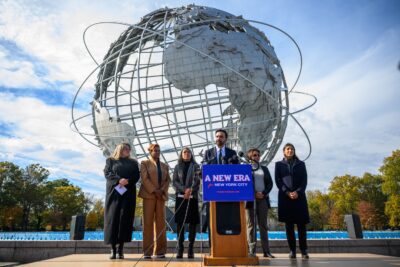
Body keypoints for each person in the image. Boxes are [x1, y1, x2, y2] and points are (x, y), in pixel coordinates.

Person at [201, 129, 239, 249]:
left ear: (225, 139)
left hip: (228, 193)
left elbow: (237, 170)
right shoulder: (208, 153)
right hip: (212, 193)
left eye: (221, 136)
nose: (219, 138)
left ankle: (228, 247)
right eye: (217, 136)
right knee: (212, 221)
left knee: (227, 219)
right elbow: (203, 168)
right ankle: (213, 247)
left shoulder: (232, 153)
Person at [103, 142, 140, 260]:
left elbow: (136, 176)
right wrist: (119, 180)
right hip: (114, 194)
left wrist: (127, 181)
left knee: (124, 219)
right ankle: (113, 249)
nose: (128, 150)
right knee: (113, 219)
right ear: (120, 149)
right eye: (126, 149)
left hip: (128, 194)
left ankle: (121, 250)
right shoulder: (110, 161)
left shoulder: (133, 163)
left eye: (129, 149)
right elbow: (107, 173)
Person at [275, 143, 310, 259]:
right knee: (289, 226)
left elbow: (304, 181)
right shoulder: (278, 165)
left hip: (299, 198)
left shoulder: (301, 164)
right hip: (286, 199)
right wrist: (287, 192)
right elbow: (278, 181)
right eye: (288, 149)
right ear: (284, 151)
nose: (290, 151)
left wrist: (298, 192)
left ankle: (304, 251)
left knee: (301, 226)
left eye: (292, 149)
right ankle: (292, 250)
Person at [138, 144, 170, 259]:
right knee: (148, 223)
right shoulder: (144, 163)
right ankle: (147, 252)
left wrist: (161, 191)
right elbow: (144, 178)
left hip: (161, 196)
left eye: (158, 150)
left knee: (161, 224)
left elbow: (167, 180)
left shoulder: (165, 166)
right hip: (149, 196)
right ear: (150, 152)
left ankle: (160, 251)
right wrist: (154, 190)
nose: (157, 152)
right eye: (154, 150)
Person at [245, 148, 274, 258]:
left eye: (258, 155)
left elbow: (270, 183)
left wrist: (264, 193)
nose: (257, 157)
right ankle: (251, 250)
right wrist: (254, 193)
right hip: (250, 200)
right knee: (251, 225)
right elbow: (245, 184)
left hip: (263, 200)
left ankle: (266, 251)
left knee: (263, 225)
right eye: (254, 155)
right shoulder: (247, 169)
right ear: (249, 158)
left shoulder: (264, 169)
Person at [172, 147, 201, 259]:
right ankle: (180, 248)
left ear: (191, 154)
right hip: (181, 197)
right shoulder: (177, 167)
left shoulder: (196, 166)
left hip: (192, 197)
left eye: (189, 152)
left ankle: (190, 248)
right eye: (185, 152)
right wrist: (184, 190)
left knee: (192, 222)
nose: (187, 154)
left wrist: (190, 190)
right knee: (180, 223)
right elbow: (174, 181)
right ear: (181, 154)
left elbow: (197, 181)